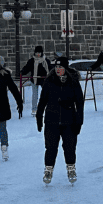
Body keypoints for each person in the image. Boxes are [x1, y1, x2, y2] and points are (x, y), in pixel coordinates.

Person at [36, 57, 85, 185]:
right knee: (50, 147)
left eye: (61, 67)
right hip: (51, 120)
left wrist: (79, 121)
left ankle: (71, 169)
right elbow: (42, 101)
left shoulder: (73, 82)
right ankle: (48, 170)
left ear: (66, 68)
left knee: (69, 147)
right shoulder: (49, 81)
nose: (58, 69)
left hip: (69, 120)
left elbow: (79, 103)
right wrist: (39, 116)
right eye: (56, 67)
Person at [20, 45, 50, 116]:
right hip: (34, 79)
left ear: (42, 53)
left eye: (39, 52)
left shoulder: (45, 61)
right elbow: (27, 68)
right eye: (37, 53)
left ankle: (47, 108)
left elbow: (50, 68)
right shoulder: (32, 61)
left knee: (45, 94)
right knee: (34, 95)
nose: (38, 54)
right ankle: (34, 109)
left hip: (43, 80)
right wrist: (21, 72)